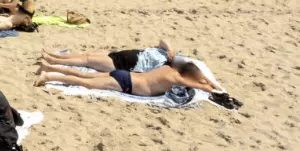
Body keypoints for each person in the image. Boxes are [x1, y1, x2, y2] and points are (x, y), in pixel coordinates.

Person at [35, 57, 222, 98]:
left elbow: (194, 75)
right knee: (85, 83)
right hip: (126, 83)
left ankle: (50, 67)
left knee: (85, 74)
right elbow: (204, 87)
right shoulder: (176, 79)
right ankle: (49, 76)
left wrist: (206, 79)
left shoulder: (167, 68)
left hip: (125, 75)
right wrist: (213, 86)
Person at [40, 39, 177, 75]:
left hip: (120, 65)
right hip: (120, 54)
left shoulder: (165, 68)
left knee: (87, 61)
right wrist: (170, 49)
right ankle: (55, 55)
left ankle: (54, 60)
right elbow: (163, 40)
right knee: (86, 54)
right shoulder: (167, 53)